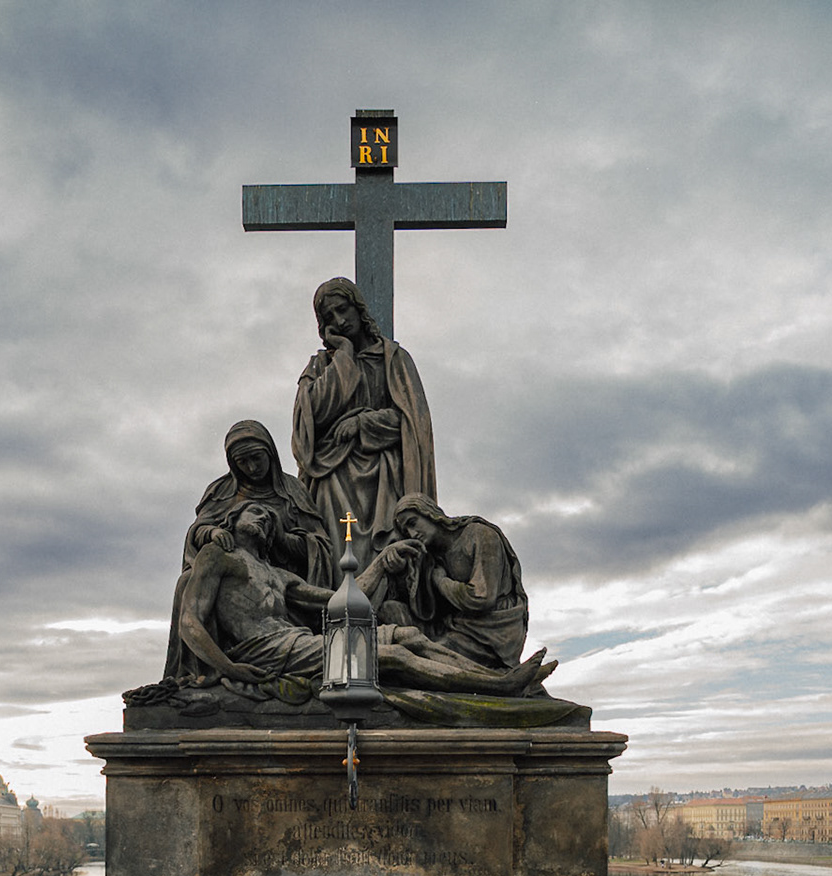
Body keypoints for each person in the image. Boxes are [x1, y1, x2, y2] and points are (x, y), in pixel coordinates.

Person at [176, 503, 553, 704]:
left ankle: (499, 678)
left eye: (269, 518)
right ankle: (498, 689)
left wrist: (383, 561)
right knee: (391, 655)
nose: (263, 519)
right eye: (255, 512)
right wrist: (229, 668)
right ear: (233, 519)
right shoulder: (218, 556)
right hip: (264, 651)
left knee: (408, 636)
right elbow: (189, 621)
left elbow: (341, 600)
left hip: (295, 643)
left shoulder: (277, 574)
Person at [163, 421, 333, 681]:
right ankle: (205, 667)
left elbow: (318, 544)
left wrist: (279, 537)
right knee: (189, 583)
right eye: (243, 462)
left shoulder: (293, 491)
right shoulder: (221, 491)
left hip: (282, 584)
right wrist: (212, 532)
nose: (252, 467)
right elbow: (198, 529)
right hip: (235, 583)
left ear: (270, 453)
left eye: (257, 458)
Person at [291, 278, 435, 570]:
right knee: (336, 557)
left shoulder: (393, 360)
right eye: (329, 316)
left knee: (386, 556)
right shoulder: (321, 366)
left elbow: (411, 423)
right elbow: (308, 422)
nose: (340, 320)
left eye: (343, 309)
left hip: (383, 475)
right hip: (333, 476)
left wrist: (363, 423)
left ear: (358, 307)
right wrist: (343, 354)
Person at [373, 495, 529, 670]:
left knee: (422, 655)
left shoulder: (480, 535)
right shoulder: (431, 554)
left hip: (491, 630)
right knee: (390, 610)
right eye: (406, 530)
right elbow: (424, 609)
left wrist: (440, 581)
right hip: (456, 624)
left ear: (429, 513)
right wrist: (400, 569)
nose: (412, 533)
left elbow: (482, 598)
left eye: (413, 522)